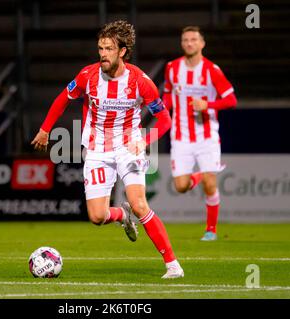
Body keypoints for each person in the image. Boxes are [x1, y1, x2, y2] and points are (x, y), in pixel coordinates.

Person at [31, 20, 184, 278]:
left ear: (122, 51)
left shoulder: (140, 82)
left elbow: (166, 120)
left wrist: (144, 141)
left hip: (128, 146)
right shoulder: (87, 76)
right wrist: (46, 129)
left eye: (109, 48)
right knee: (97, 216)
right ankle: (120, 214)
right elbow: (62, 99)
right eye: (100, 47)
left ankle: (172, 264)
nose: (103, 53)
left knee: (139, 204)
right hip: (97, 149)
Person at [162, 26, 237, 241]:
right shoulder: (172, 68)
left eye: (194, 39)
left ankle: (211, 230)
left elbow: (231, 100)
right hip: (180, 136)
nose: (189, 43)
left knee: (210, 183)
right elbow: (167, 95)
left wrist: (208, 105)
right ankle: (201, 175)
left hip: (206, 136)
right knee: (181, 186)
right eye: (185, 40)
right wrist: (162, 111)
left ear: (202, 43)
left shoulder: (212, 70)